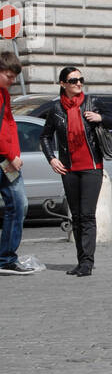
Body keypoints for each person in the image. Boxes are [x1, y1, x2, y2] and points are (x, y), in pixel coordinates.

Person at [39, 66, 110, 276]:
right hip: (69, 169)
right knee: (77, 216)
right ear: (63, 84)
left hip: (91, 167)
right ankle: (80, 261)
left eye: (81, 79)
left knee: (87, 215)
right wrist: (51, 158)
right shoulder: (56, 110)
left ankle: (87, 263)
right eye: (73, 81)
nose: (78, 83)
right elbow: (44, 136)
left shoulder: (93, 103)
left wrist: (100, 118)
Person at [0, 51, 36, 276]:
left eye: (14, 77)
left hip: (6, 160)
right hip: (5, 158)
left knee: (19, 204)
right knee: (18, 204)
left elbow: (10, 126)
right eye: (8, 76)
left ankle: (5, 258)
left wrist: (14, 154)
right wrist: (10, 154)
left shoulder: (4, 95)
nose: (12, 81)